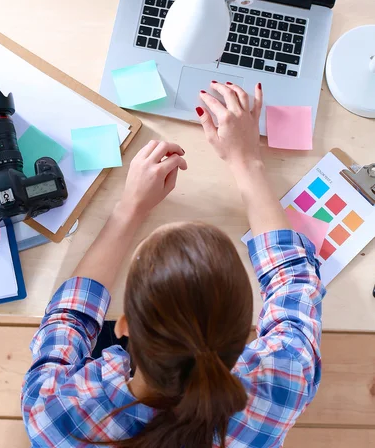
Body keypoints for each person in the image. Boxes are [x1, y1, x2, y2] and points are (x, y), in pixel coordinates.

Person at [21, 81, 325, 448]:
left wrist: (127, 212)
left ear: (124, 326)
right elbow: (292, 281)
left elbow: (66, 321)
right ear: (248, 332)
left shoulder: (54, 414)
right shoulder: (282, 382)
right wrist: (246, 161)